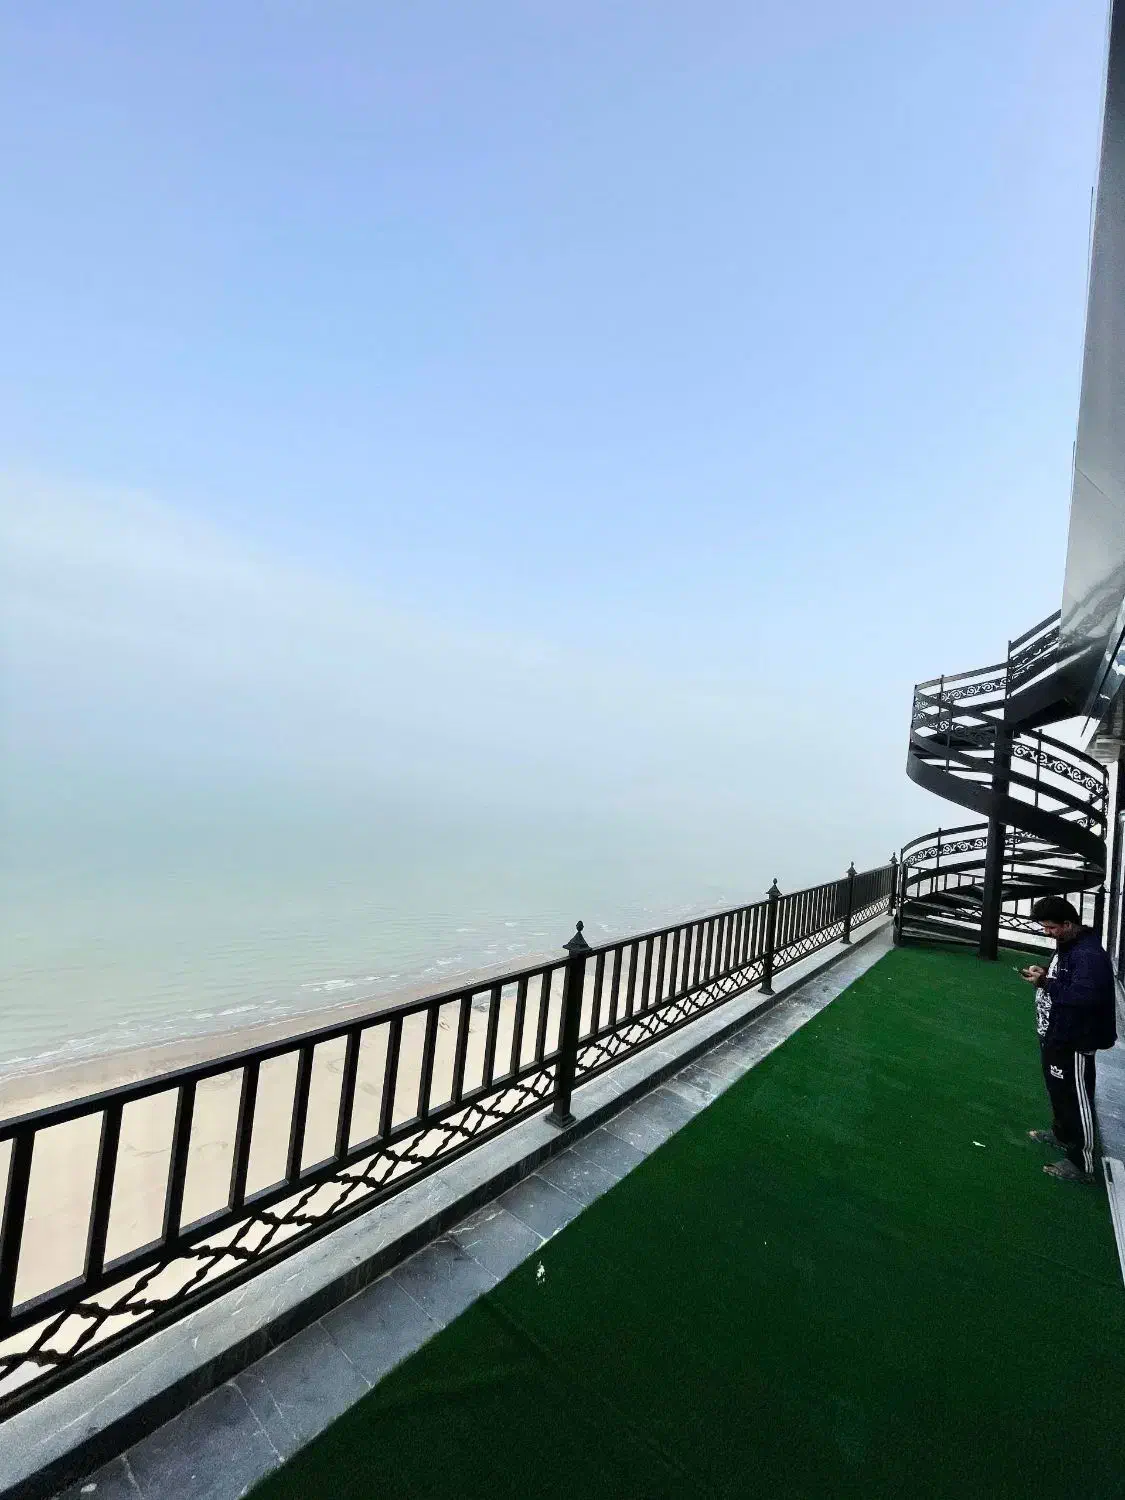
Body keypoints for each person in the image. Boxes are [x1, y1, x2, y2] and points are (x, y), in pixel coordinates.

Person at [1019, 896, 1117, 1185]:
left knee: (1076, 1098)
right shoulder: (1069, 945)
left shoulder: (1088, 955)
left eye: (1051, 928)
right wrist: (1045, 973)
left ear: (1068, 924)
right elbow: (1067, 981)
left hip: (1075, 1038)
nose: (1047, 932)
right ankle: (1062, 1135)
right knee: (1059, 1091)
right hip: (1057, 1032)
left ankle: (1081, 1163)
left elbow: (1084, 997)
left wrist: (1045, 983)